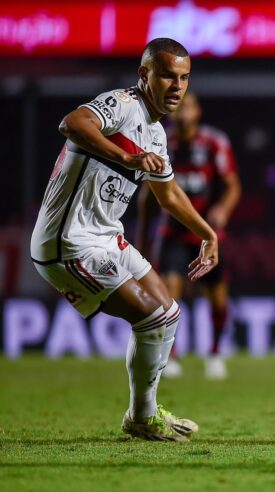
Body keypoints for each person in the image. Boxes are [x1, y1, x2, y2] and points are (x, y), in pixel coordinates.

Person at [30, 38, 218, 442]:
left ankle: (141, 415)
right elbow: (72, 123)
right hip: (69, 242)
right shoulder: (123, 103)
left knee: (169, 311)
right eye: (168, 75)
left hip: (105, 237)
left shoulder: (156, 133)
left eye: (184, 78)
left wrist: (207, 233)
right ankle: (141, 416)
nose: (176, 87)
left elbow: (167, 193)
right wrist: (128, 158)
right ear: (144, 74)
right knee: (153, 316)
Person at [137, 92, 241, 380]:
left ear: (198, 111)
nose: (182, 109)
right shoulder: (161, 142)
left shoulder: (214, 143)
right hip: (172, 233)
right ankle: (171, 356)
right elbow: (147, 199)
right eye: (179, 105)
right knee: (169, 296)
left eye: (189, 104)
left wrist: (222, 209)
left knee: (218, 301)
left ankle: (216, 352)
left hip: (208, 236)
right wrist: (143, 243)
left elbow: (233, 186)